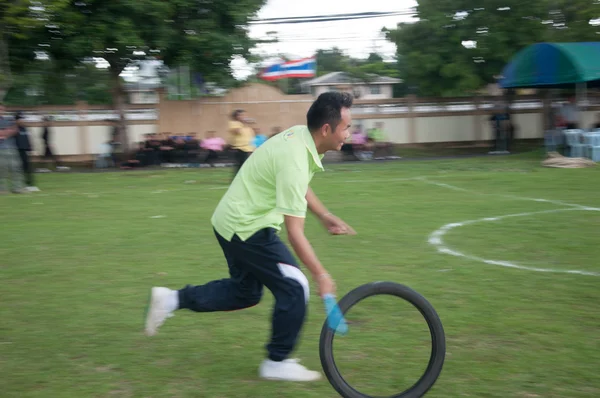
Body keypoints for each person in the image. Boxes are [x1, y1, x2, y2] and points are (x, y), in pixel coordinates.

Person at [144, 92, 356, 382]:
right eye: (346, 127)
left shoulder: (300, 138)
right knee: (295, 285)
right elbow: (295, 233)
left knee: (245, 292)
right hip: (246, 226)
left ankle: (171, 299)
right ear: (326, 129)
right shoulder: (295, 156)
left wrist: (324, 215)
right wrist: (321, 275)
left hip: (232, 222)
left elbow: (298, 185)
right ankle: (277, 362)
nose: (349, 133)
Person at [0, 103, 26, 194]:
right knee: (2, 170)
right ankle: (2, 189)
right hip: (1, 149)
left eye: (2, 109)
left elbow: (15, 130)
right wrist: (7, 131)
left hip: (12, 147)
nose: (1, 111)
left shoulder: (9, 119)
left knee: (16, 168)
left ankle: (17, 188)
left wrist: (5, 132)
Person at [227, 109, 255, 177]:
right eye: (242, 115)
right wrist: (244, 123)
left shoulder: (246, 125)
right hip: (240, 147)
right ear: (237, 116)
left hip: (249, 147)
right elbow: (237, 132)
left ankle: (245, 177)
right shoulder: (234, 123)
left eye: (244, 115)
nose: (244, 117)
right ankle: (237, 179)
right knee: (240, 164)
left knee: (248, 164)